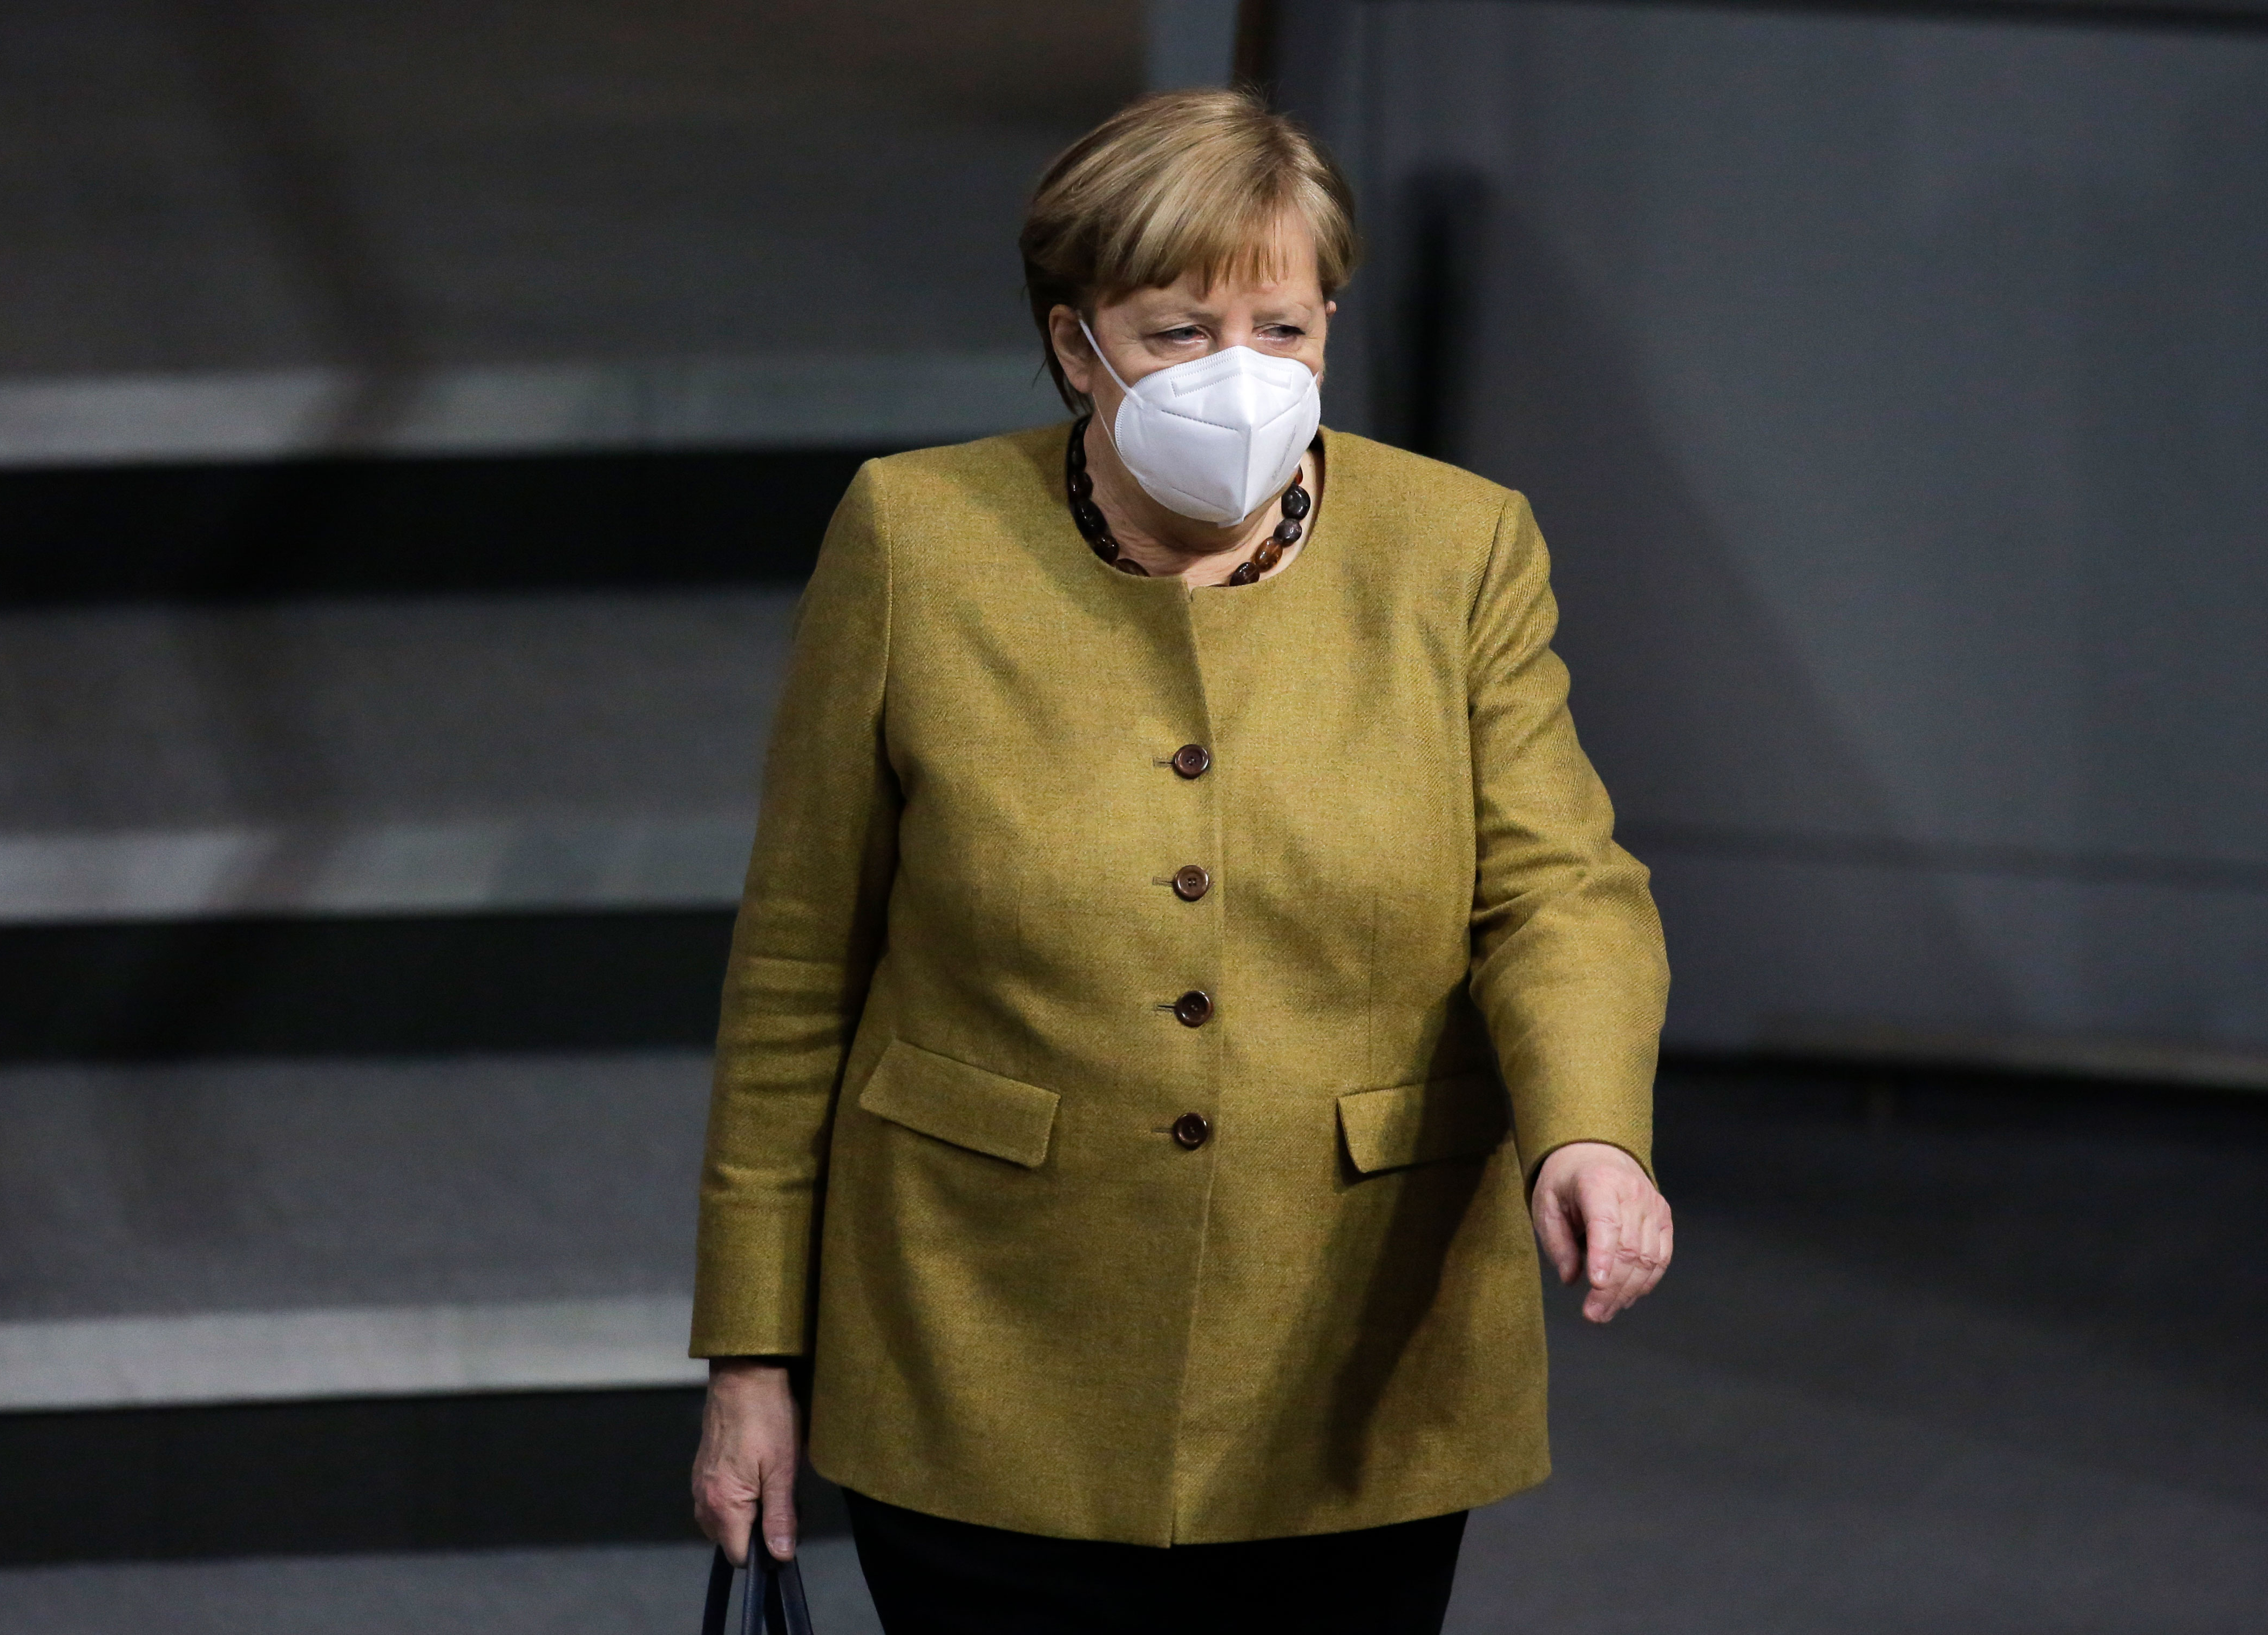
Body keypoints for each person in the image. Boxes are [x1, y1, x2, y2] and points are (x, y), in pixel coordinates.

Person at [688, 87, 1673, 1633]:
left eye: (1282, 328)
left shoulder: (1460, 548)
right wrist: (753, 1355)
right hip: (982, 1339)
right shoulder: (914, 538)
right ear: (1074, 343)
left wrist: (1590, 1131)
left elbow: (1558, 888)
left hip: (1354, 1352)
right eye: (1177, 332)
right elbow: (801, 965)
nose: (1241, 375)